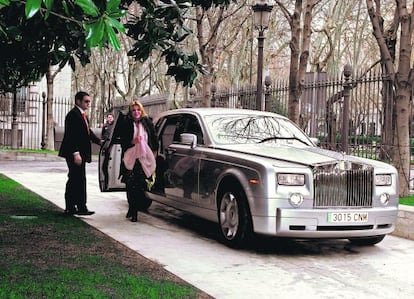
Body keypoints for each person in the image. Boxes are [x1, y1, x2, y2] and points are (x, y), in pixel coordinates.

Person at [58, 91, 102, 216]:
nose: (89, 103)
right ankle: (72, 207)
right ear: (78, 101)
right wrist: (75, 153)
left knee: (79, 179)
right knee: (74, 179)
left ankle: (79, 206)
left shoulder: (82, 115)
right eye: (86, 101)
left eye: (89, 101)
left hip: (80, 153)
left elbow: (88, 133)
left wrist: (99, 142)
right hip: (74, 153)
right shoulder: (73, 115)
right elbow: (72, 136)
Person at [118, 100, 158, 222]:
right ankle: (133, 209)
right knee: (130, 184)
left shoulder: (147, 123)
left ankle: (134, 208)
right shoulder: (127, 123)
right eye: (133, 110)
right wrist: (133, 141)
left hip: (144, 157)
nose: (136, 112)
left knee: (139, 184)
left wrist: (154, 155)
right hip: (130, 156)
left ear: (141, 111)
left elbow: (154, 139)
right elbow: (123, 141)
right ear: (131, 112)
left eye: (138, 110)